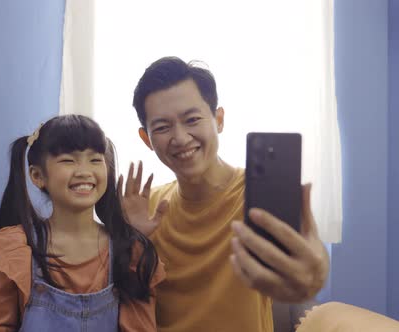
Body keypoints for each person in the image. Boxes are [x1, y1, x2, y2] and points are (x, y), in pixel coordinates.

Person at [118, 56, 329, 331]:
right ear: (147, 139)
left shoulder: (259, 198)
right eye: (162, 127)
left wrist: (314, 274)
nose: (180, 138)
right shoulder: (146, 209)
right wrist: (129, 242)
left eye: (192, 119)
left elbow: (303, 266)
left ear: (218, 120)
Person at [0, 114, 165, 332]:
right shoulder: (15, 247)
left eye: (95, 160)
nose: (84, 171)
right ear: (37, 176)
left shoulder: (131, 252)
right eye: (68, 160)